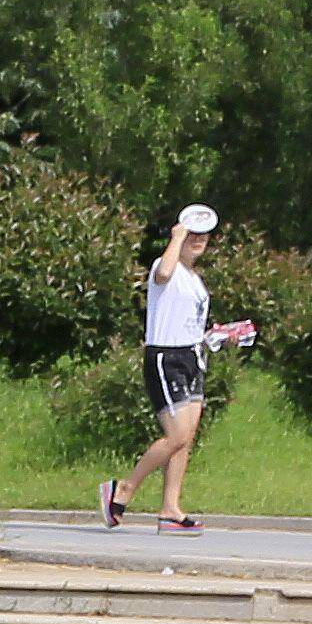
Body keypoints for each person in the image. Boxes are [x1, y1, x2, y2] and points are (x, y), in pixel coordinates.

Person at [103, 204, 255, 531]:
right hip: (166, 357)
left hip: (191, 357)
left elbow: (189, 324)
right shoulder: (165, 265)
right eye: (192, 235)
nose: (198, 240)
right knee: (175, 435)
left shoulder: (195, 280)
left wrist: (218, 336)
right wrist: (177, 236)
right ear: (180, 235)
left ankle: (170, 508)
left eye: (204, 236)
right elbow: (162, 275)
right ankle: (124, 489)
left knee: (186, 438)